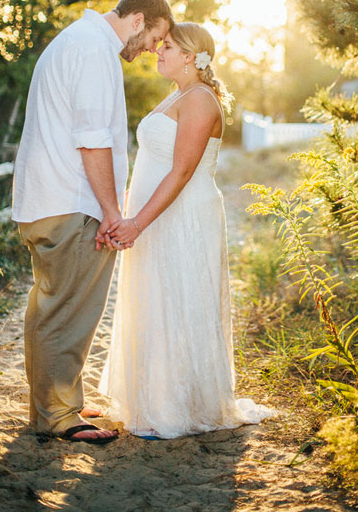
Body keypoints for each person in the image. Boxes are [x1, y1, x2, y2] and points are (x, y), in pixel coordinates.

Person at [12, 0, 173, 444]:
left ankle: (58, 401)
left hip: (50, 199)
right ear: (138, 20)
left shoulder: (78, 39)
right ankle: (58, 415)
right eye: (154, 38)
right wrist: (110, 211)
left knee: (51, 306)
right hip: (71, 203)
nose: (149, 51)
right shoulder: (94, 50)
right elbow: (92, 140)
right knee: (67, 310)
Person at [99, 22, 274, 438]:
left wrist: (137, 222)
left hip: (183, 216)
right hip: (154, 215)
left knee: (178, 299)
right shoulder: (177, 95)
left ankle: (174, 408)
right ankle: (150, 398)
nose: (159, 50)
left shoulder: (200, 100)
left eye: (169, 46)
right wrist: (125, 212)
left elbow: (180, 173)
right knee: (156, 297)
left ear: (192, 58)